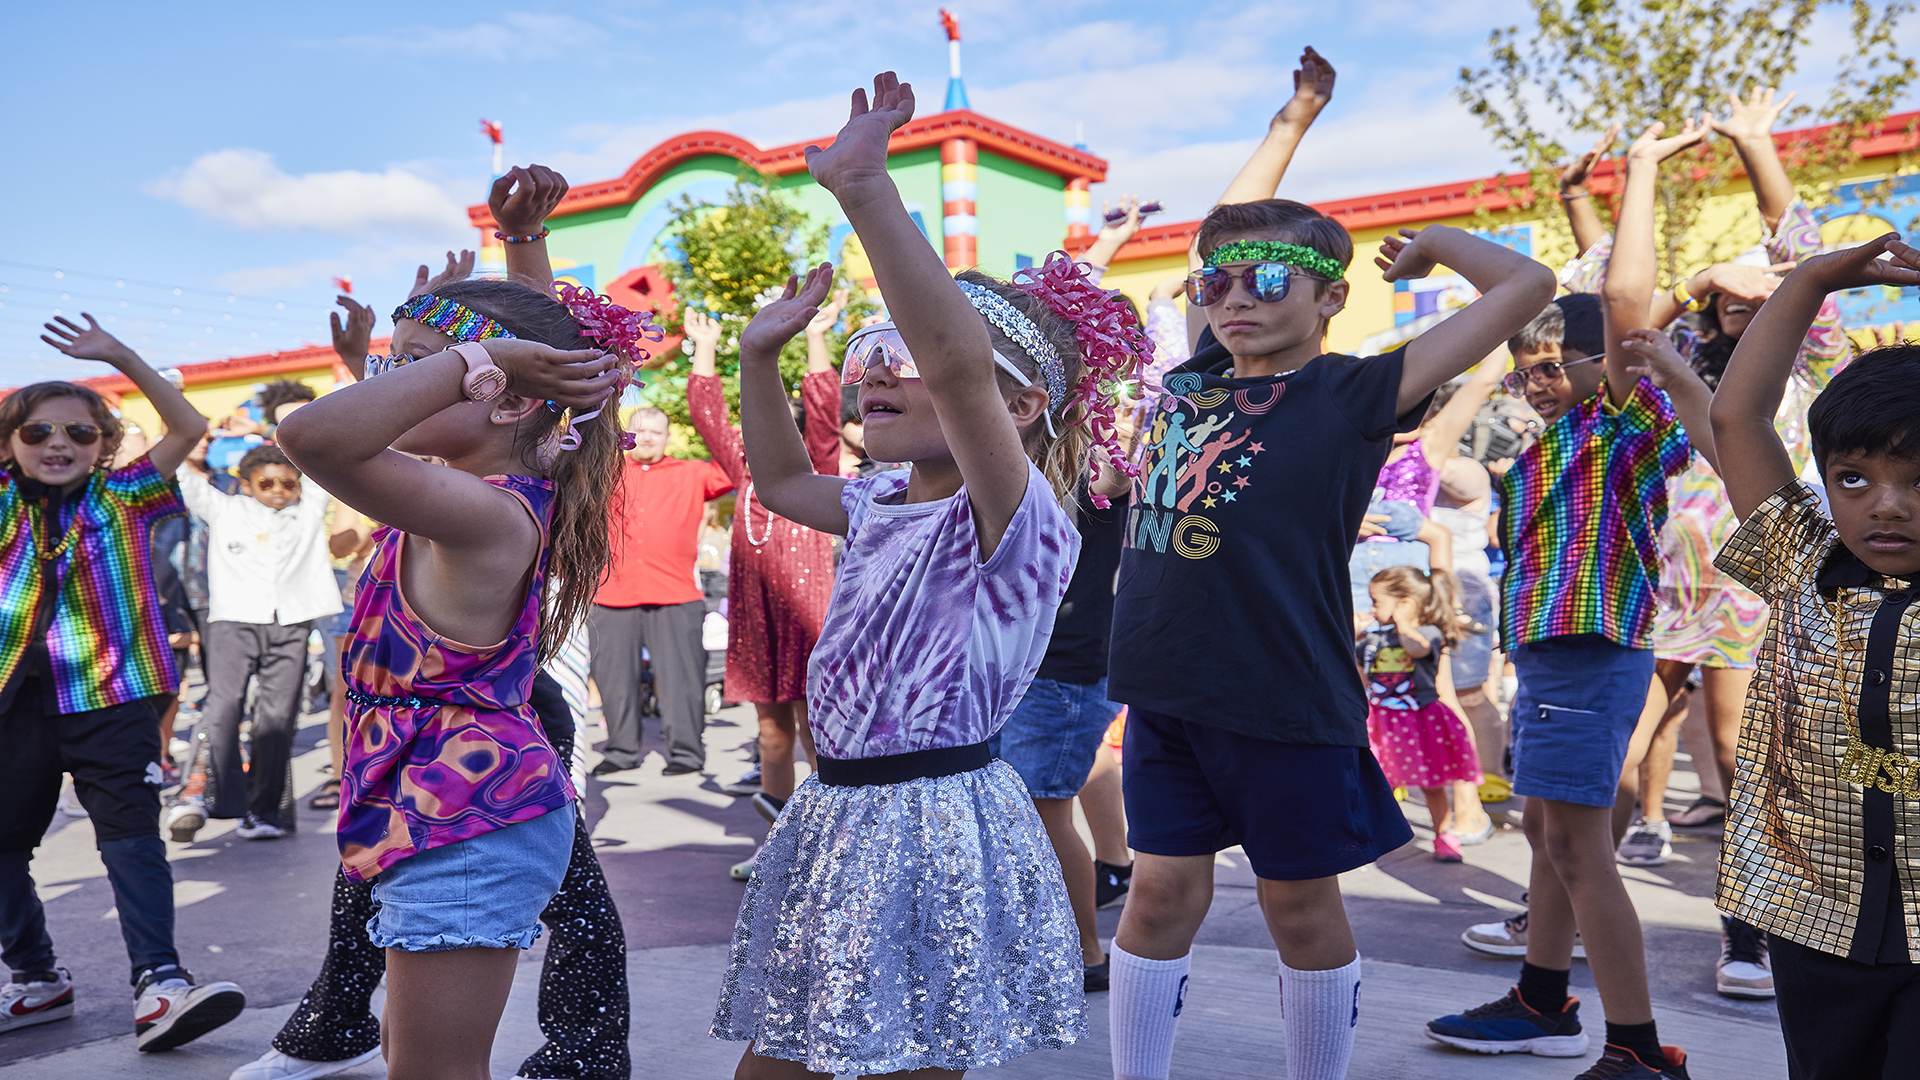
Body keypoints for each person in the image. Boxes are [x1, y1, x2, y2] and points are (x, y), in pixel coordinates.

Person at [1094, 65, 1555, 1080]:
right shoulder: (1196, 376)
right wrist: (1290, 122)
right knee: (1158, 897)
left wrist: (1435, 244)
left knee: (1297, 904)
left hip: (1282, 697)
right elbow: (1218, 236)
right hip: (1165, 690)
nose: (1232, 298)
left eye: (1268, 281)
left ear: (1331, 298)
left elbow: (1528, 288)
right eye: (1216, 283)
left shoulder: (1353, 393)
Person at [711, 71, 1145, 1077]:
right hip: (842, 807)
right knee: (785, 1055)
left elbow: (956, 364)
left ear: (1019, 408)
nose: (878, 370)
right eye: (872, 350)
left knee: (908, 1058)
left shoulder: (1018, 520)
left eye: (905, 354)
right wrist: (760, 357)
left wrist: (869, 194)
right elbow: (781, 480)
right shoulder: (876, 499)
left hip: (929, 816)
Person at [276, 268, 630, 1079]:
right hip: (436, 800)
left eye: (418, 364)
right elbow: (533, 367)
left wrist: (480, 356)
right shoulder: (461, 490)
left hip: (468, 816)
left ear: (506, 397)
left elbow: (313, 438)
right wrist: (514, 273)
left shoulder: (485, 513)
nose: (392, 382)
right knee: (415, 1059)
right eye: (394, 365)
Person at [1426, 122, 1701, 1080]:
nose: (1533, 382)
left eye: (1551, 366)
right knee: (1548, 832)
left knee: (1581, 847)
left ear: (1605, 365)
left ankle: (1638, 1048)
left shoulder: (1624, 423)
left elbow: (1622, 302)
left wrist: (1642, 171)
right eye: (1524, 369)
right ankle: (1541, 1000)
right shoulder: (1551, 444)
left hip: (1592, 653)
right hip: (1552, 657)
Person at [0, 316, 247, 1051]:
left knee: (131, 839)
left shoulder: (128, 493)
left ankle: (161, 983)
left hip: (114, 698)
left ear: (103, 445)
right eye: (38, 431)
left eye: (79, 433)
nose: (58, 444)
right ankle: (37, 979)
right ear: (10, 443)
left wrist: (120, 357)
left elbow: (188, 425)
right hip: (14, 704)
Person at [1707, 231, 1920, 1080]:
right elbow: (1737, 416)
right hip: (1816, 923)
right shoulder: (1802, 562)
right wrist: (1809, 281)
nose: (1886, 505)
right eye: (1854, 478)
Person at [228, 671, 631, 1080]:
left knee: (575, 903)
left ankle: (587, 1057)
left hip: (472, 756)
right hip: (423, 745)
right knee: (366, 891)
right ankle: (334, 1025)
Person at [683, 298, 841, 859]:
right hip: (757, 614)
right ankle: (779, 850)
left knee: (819, 732)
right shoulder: (744, 469)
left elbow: (824, 410)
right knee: (772, 733)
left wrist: (817, 337)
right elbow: (708, 415)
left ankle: (834, 847)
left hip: (810, 612)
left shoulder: (817, 467)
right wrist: (705, 348)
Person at [165, 444, 341, 841]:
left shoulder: (308, 510)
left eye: (288, 483)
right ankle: (207, 796)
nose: (278, 490)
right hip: (234, 621)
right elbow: (183, 475)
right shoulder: (224, 509)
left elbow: (323, 462)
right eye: (267, 483)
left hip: (292, 622)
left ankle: (264, 812)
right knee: (223, 706)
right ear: (246, 485)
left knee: (277, 718)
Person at [590, 405, 734, 777]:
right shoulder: (605, 472)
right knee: (614, 680)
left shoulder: (693, 472)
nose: (647, 438)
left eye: (656, 431)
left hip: (676, 593)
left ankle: (686, 753)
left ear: (668, 437)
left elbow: (734, 466)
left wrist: (715, 420)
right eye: (639, 430)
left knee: (682, 680)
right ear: (626, 435)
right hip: (612, 594)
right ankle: (621, 750)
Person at [1360, 565, 1481, 861]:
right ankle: (1375, 836)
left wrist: (1403, 622)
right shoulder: (1371, 639)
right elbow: (1360, 678)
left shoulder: (1429, 633)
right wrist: (1354, 638)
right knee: (1379, 783)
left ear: (1405, 604)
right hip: (1381, 722)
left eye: (1376, 602)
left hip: (1419, 722)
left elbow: (1417, 649)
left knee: (1432, 785)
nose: (1371, 608)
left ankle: (1443, 835)